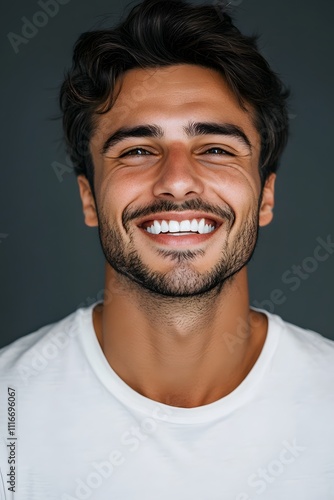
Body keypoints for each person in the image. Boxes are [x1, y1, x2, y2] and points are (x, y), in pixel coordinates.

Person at [0, 0, 333, 498]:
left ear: (266, 196)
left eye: (216, 149)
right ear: (89, 198)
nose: (177, 181)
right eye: (137, 151)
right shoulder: (9, 409)